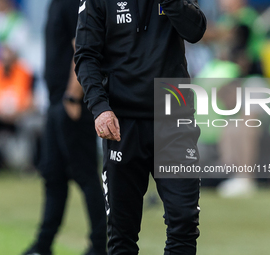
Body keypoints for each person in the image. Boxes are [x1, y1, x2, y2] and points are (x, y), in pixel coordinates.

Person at [75, 0, 206, 254]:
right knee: (122, 233)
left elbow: (195, 31)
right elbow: (86, 55)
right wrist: (100, 108)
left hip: (173, 118)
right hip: (122, 125)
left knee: (184, 222)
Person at [22, 0, 107, 254]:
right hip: (56, 103)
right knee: (53, 175)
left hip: (70, 102)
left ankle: (100, 245)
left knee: (86, 175)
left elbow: (82, 47)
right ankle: (43, 244)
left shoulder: (72, 2)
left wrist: (73, 95)